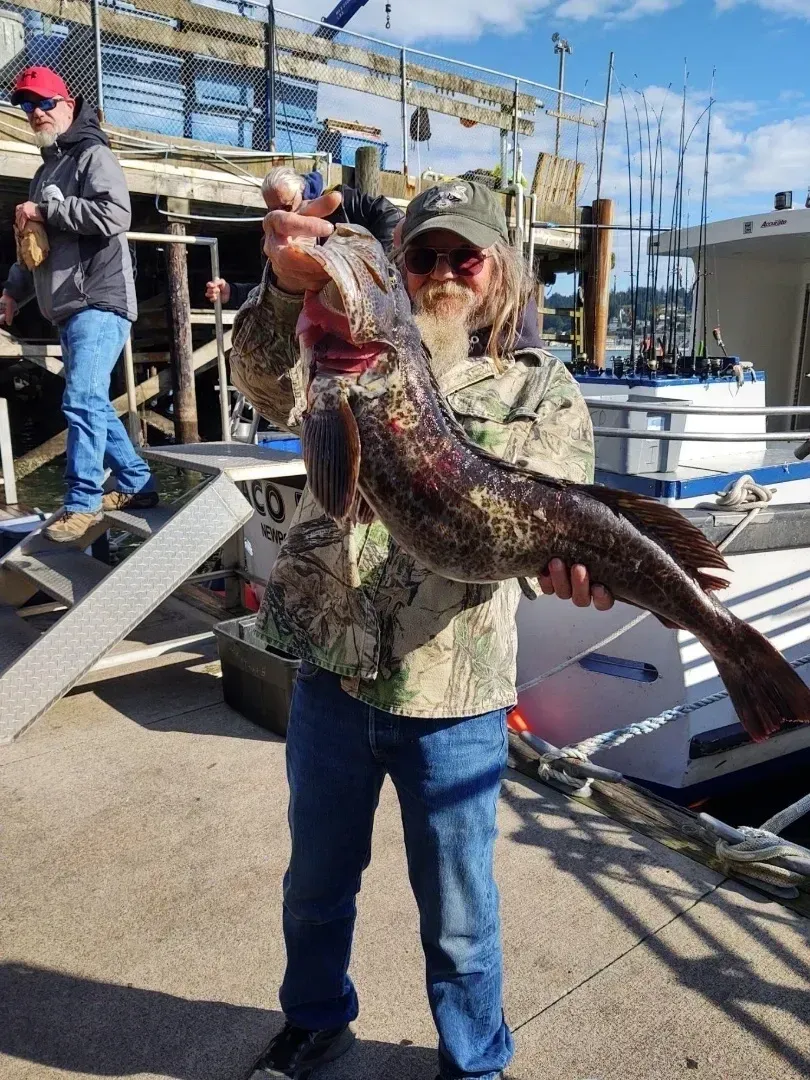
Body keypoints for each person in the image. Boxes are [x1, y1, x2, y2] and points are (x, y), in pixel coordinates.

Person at [229, 180, 614, 1080]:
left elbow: (539, 518)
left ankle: (475, 1063)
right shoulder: (342, 349)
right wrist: (288, 288)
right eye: (423, 256)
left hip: (455, 695)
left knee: (460, 912)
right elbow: (261, 380)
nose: (443, 272)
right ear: (399, 271)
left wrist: (564, 562)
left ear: (498, 274)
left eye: (463, 257)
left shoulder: (541, 389)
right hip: (331, 670)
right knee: (314, 888)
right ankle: (315, 1022)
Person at [0, 66, 156, 543]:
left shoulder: (93, 154)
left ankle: (82, 501)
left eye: (43, 103)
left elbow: (115, 213)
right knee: (93, 404)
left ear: (67, 103)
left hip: (100, 301)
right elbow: (34, 254)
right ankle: (137, 482)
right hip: (65, 308)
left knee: (82, 399)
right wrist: (11, 293)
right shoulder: (45, 172)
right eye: (26, 106)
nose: (35, 113)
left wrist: (48, 210)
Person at [204, 165, 403, 308]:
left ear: (303, 191)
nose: (283, 215)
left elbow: (389, 215)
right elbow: (269, 293)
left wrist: (375, 267)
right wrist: (233, 292)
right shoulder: (272, 241)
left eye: (286, 207)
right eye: (272, 210)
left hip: (364, 303)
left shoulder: (342, 200)